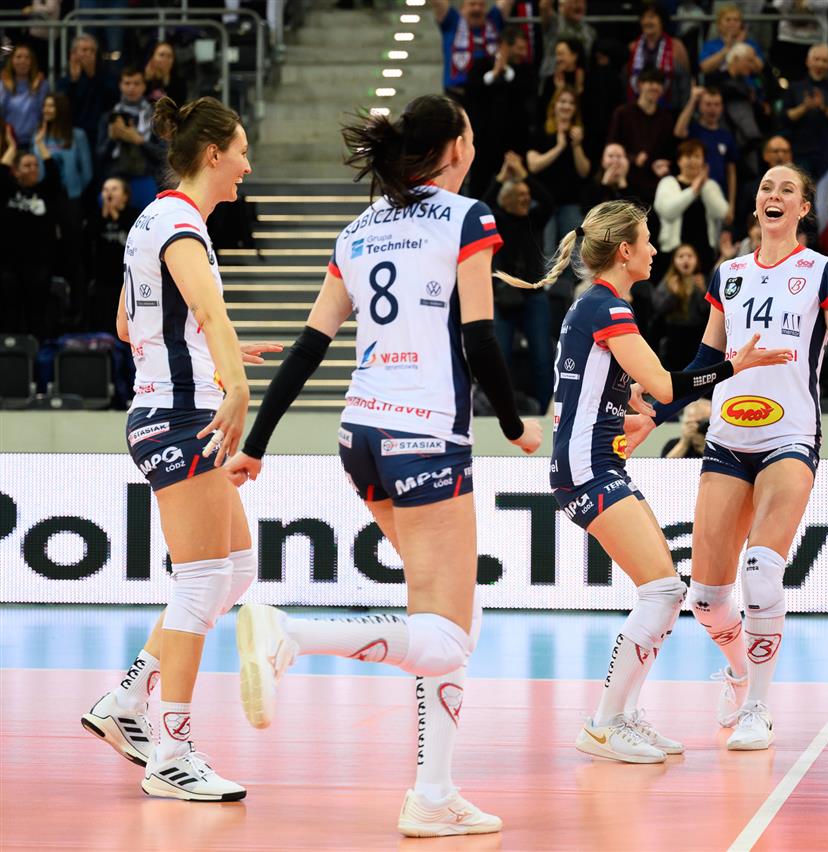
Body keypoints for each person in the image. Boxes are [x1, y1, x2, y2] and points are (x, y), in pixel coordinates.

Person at [225, 95, 541, 836]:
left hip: (360, 434)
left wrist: (257, 443)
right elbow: (480, 338)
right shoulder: (466, 218)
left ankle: (434, 793)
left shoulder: (360, 228)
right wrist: (515, 424)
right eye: (471, 133)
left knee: (455, 614)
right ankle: (291, 635)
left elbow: (309, 346)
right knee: (448, 633)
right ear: (456, 148)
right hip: (425, 435)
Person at [631, 163, 828, 751]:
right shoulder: (729, 274)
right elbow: (704, 362)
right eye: (766, 186)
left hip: (790, 436)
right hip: (727, 439)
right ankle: (739, 672)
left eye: (788, 188)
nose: (774, 194)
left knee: (760, 570)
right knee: (706, 599)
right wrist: (655, 415)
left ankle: (759, 707)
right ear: (756, 204)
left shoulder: (821, 271)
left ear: (804, 208)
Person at [496, 199, 789, 764]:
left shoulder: (593, 306)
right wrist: (735, 366)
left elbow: (607, 389)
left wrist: (624, 408)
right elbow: (664, 386)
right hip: (587, 470)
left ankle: (623, 715)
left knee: (666, 590)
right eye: (648, 239)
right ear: (625, 250)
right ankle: (604, 723)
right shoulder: (607, 308)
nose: (655, 249)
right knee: (663, 590)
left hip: (594, 463)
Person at [78, 96, 271, 802]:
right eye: (242, 152)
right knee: (202, 580)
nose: (247, 165)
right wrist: (236, 383)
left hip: (164, 408)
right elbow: (208, 312)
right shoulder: (184, 225)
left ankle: (127, 700)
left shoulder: (150, 220)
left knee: (236, 570)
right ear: (214, 154)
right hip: (178, 417)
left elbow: (127, 324)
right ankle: (172, 752)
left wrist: (207, 349)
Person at [487, 152, 556, 411]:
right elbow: (482, 204)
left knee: (542, 358)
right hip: (503, 298)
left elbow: (548, 202)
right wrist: (500, 178)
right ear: (505, 200)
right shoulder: (495, 220)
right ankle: (502, 411)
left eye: (528, 194)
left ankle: (546, 411)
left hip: (534, 297)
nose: (527, 198)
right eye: (520, 195)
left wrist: (525, 176)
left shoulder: (534, 218)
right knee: (500, 357)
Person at [0, 129, 63, 340]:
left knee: (38, 316)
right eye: (27, 166)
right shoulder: (7, 191)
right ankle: (10, 355)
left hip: (39, 265)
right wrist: (12, 147)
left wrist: (40, 144)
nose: (33, 169)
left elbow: (53, 172)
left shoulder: (46, 192)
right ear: (15, 172)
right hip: (9, 266)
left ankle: (38, 355)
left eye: (35, 165)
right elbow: (1, 172)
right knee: (10, 314)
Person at [464, 25, 534, 187]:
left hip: (514, 144)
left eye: (525, 49)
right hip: (484, 144)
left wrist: (508, 74)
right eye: (519, 48)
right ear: (504, 46)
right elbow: (471, 94)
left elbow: (527, 94)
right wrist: (494, 74)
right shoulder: (481, 66)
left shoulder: (526, 70)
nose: (523, 53)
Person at [528, 88, 591, 255]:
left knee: (577, 252)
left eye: (571, 103)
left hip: (570, 201)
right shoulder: (541, 131)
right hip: (543, 201)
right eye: (563, 101)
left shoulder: (579, 135)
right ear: (554, 105)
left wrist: (576, 145)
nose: (566, 106)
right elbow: (533, 165)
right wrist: (559, 147)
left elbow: (584, 171)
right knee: (548, 251)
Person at [654, 139, 728, 277]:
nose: (693, 161)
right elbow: (667, 211)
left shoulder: (710, 185)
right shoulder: (668, 182)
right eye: (688, 156)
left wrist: (703, 185)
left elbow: (722, 212)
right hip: (674, 251)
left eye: (697, 156)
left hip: (704, 251)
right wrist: (693, 190)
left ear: (703, 162)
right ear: (679, 161)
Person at [97, 67, 166, 209]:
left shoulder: (155, 117)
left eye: (136, 83)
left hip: (145, 177)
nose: (131, 88)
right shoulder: (109, 117)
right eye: (127, 83)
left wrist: (139, 141)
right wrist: (112, 138)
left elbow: (163, 154)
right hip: (115, 178)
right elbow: (99, 156)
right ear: (120, 85)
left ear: (144, 86)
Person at [606, 69, 674, 203]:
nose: (655, 87)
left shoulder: (666, 119)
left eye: (659, 84)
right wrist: (633, 158)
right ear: (640, 85)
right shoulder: (622, 113)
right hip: (626, 181)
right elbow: (611, 146)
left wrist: (663, 163)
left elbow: (668, 151)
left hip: (654, 185)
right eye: (651, 82)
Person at [674, 86, 738, 223]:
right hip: (693, 191)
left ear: (721, 107)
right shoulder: (693, 130)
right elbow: (678, 131)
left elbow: (731, 172)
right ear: (700, 106)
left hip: (718, 194)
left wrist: (731, 204)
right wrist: (693, 100)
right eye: (708, 104)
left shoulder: (726, 136)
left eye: (716, 104)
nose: (712, 109)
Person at [82, 176, 138, 333]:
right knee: (102, 319)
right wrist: (103, 216)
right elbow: (86, 242)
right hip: (102, 279)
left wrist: (115, 215)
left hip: (126, 280)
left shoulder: (134, 215)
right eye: (105, 190)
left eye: (114, 189)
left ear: (125, 196)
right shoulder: (96, 217)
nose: (109, 193)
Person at [783, 44, 828, 180]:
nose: (820, 64)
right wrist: (805, 107)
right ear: (808, 61)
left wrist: (823, 107)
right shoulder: (794, 87)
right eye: (816, 59)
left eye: (825, 61)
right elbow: (785, 117)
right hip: (800, 151)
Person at [432, 0, 513, 100]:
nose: (477, 9)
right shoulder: (451, 21)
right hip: (458, 94)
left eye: (481, 5)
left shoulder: (494, 19)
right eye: (472, 4)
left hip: (490, 92)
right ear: (462, 8)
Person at [651, 243, 709, 367]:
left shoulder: (702, 280)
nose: (685, 260)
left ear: (697, 260)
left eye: (690, 256)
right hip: (674, 336)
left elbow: (707, 312)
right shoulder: (669, 281)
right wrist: (673, 294)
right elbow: (659, 309)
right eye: (681, 256)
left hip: (697, 335)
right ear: (674, 261)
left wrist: (703, 291)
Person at [626, 3, 690, 109]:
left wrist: (685, 110)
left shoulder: (676, 46)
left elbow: (685, 82)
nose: (647, 21)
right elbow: (627, 79)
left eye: (651, 17)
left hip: (670, 108)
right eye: (644, 18)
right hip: (638, 108)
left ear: (662, 21)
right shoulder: (633, 47)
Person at [57, 35, 116, 149]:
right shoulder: (65, 78)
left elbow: (111, 100)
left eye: (92, 51)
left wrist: (92, 76)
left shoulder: (106, 75)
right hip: (73, 132)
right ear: (74, 54)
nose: (89, 54)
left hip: (99, 132)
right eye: (84, 50)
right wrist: (73, 82)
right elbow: (63, 106)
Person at [37, 93, 92, 206]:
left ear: (61, 109)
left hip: (70, 196)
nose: (46, 110)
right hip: (44, 195)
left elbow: (87, 172)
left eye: (51, 106)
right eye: (45, 106)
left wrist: (76, 189)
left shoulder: (78, 135)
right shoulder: (37, 137)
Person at [769, 0, 828, 85]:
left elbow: (826, 3)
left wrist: (806, 2)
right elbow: (779, 4)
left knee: (816, 79)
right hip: (788, 39)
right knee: (786, 80)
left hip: (815, 39)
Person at [698, 4, 765, 81]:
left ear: (741, 25)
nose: (732, 23)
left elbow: (760, 68)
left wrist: (739, 45)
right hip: (719, 85)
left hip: (748, 85)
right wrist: (727, 49)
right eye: (728, 20)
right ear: (719, 25)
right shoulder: (710, 45)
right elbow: (704, 68)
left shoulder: (751, 44)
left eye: (736, 20)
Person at [0, 44, 50, 148]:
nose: (23, 61)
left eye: (27, 57)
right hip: (8, 142)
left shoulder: (42, 85)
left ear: (32, 62)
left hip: (35, 142)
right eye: (18, 57)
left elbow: (43, 114)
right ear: (11, 60)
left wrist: (35, 92)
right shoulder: (2, 85)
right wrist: (6, 91)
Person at [538, 0, 596, 82]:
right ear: (563, 5)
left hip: (579, 82)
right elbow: (544, 5)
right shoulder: (554, 23)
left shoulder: (590, 32)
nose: (579, 6)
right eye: (575, 2)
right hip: (552, 79)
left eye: (582, 2)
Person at [144, 41, 187, 106]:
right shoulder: (142, 78)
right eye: (161, 55)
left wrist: (166, 79)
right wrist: (147, 80)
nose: (165, 59)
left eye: (169, 56)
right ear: (153, 57)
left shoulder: (180, 82)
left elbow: (179, 107)